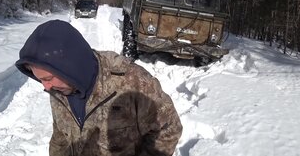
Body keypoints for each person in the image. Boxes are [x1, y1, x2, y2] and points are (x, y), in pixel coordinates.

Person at [15, 20, 183, 156]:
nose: (46, 87)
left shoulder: (132, 81)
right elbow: (60, 136)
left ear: (69, 66)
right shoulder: (58, 89)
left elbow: (169, 127)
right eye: (40, 80)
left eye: (48, 78)